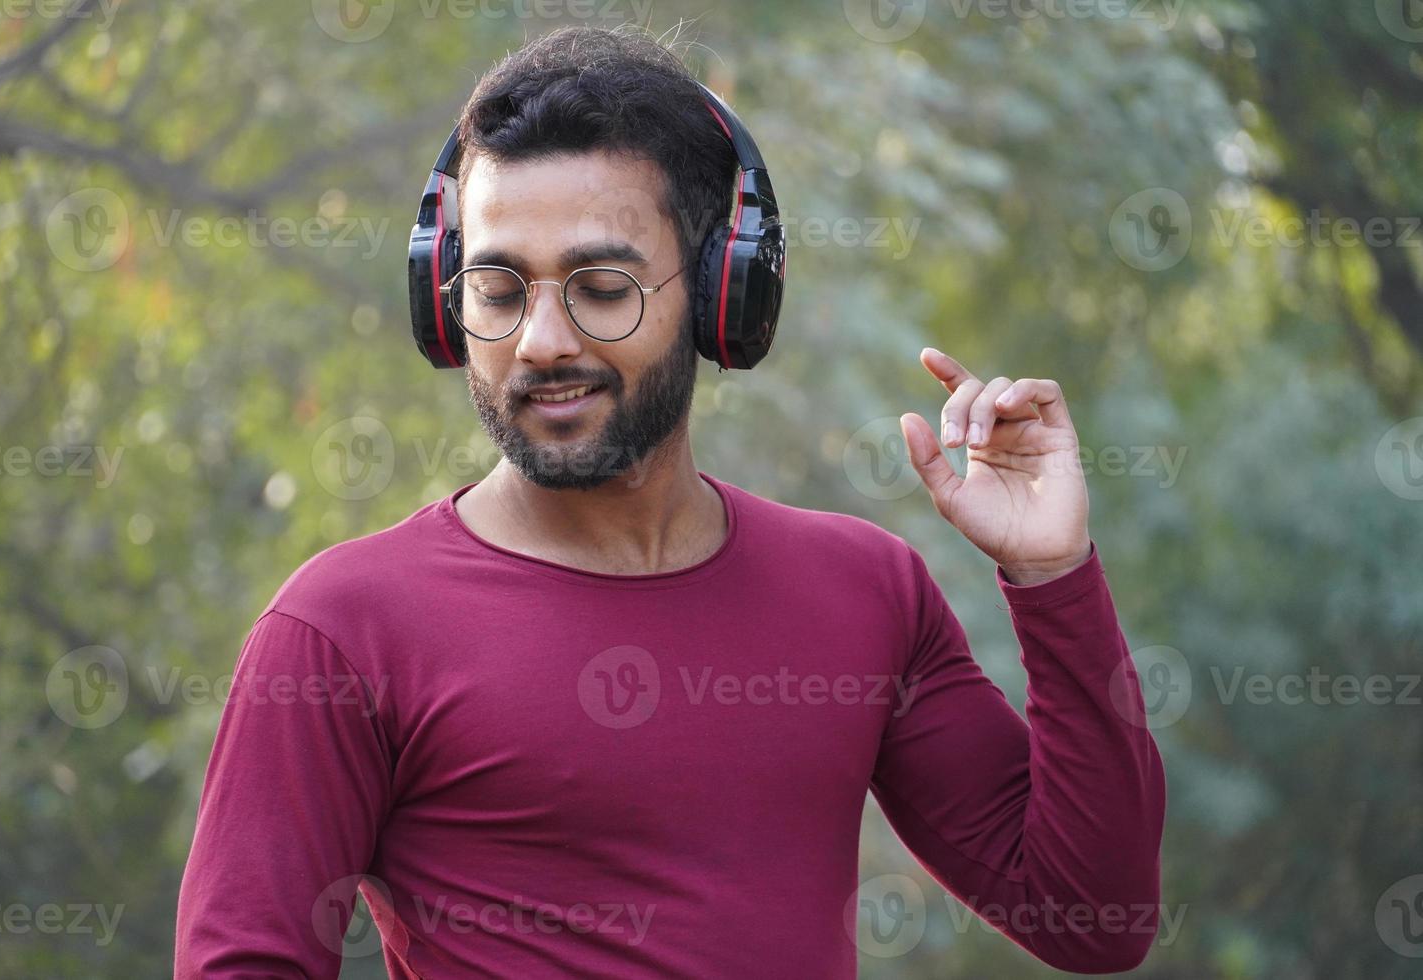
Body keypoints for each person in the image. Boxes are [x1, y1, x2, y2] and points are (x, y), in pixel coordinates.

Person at [175, 26, 1164, 978]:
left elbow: (1092, 914)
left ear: (719, 290)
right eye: (498, 288)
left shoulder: (867, 590)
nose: (542, 341)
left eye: (601, 286)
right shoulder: (342, 628)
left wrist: (1052, 575)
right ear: (445, 300)